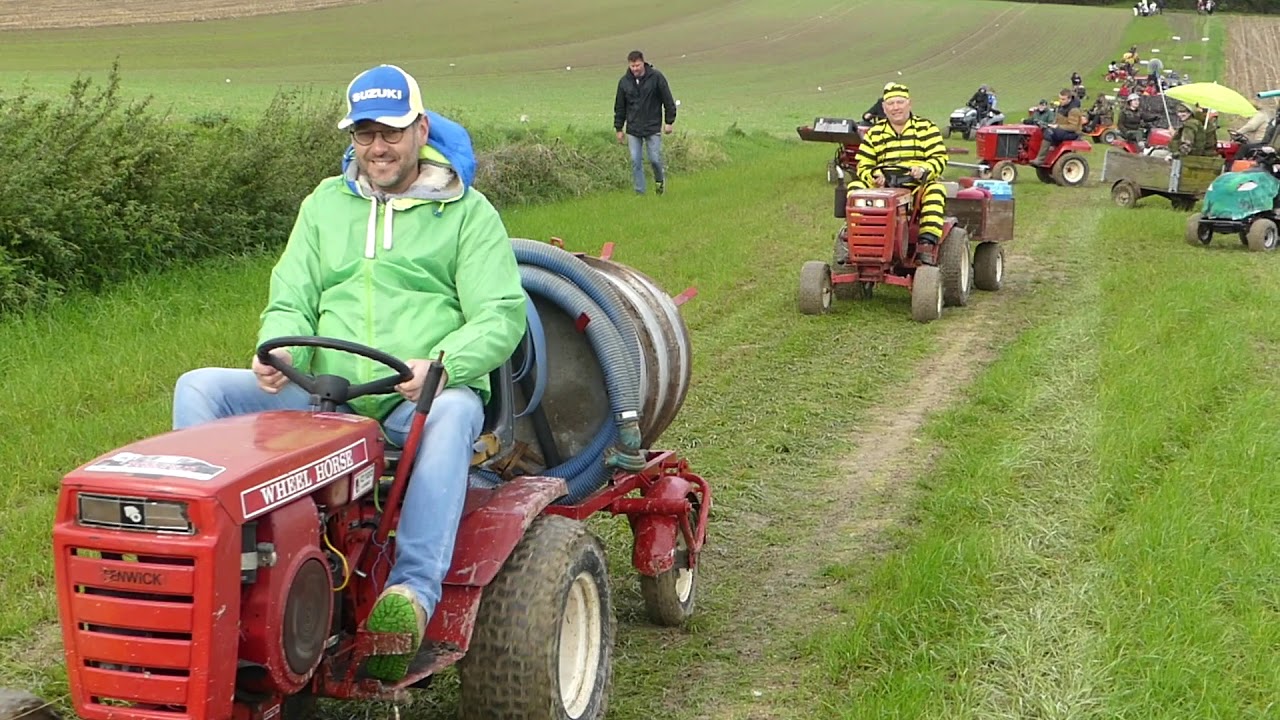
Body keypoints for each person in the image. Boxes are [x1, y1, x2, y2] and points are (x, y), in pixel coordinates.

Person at [171, 64, 527, 683]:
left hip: (405, 396)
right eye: (364, 134)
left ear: (420, 129)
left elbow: (500, 315)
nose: (377, 148)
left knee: (453, 410)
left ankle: (412, 593)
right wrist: (273, 353)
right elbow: (291, 297)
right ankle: (215, 570)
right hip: (320, 393)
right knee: (198, 386)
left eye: (390, 132)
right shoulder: (323, 204)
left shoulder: (468, 214)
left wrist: (441, 366)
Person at [848, 82, 948, 261]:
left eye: (900, 102)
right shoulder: (875, 133)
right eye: (891, 104)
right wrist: (873, 174)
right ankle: (857, 235)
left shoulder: (926, 128)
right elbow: (863, 164)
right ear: (884, 108)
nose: (896, 108)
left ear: (909, 104)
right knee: (855, 188)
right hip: (883, 185)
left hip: (917, 184)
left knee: (936, 191)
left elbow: (939, 158)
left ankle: (927, 242)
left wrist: (924, 169)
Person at [613, 50, 676, 196]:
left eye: (637, 65)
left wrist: (669, 121)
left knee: (654, 159)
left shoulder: (656, 77)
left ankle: (659, 184)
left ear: (643, 63)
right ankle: (640, 193)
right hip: (633, 129)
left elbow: (667, 100)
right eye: (632, 66)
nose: (635, 69)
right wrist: (619, 128)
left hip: (652, 126)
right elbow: (620, 107)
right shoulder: (624, 82)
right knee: (635, 161)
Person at [1035, 88, 1083, 164]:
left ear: (1069, 99)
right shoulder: (1061, 107)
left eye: (1063, 99)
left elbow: (1074, 127)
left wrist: (1057, 127)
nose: (1061, 101)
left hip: (1072, 133)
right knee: (1041, 130)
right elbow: (1057, 120)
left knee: (1049, 133)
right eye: (1060, 98)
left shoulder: (1074, 110)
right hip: (1063, 130)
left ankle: (1040, 159)